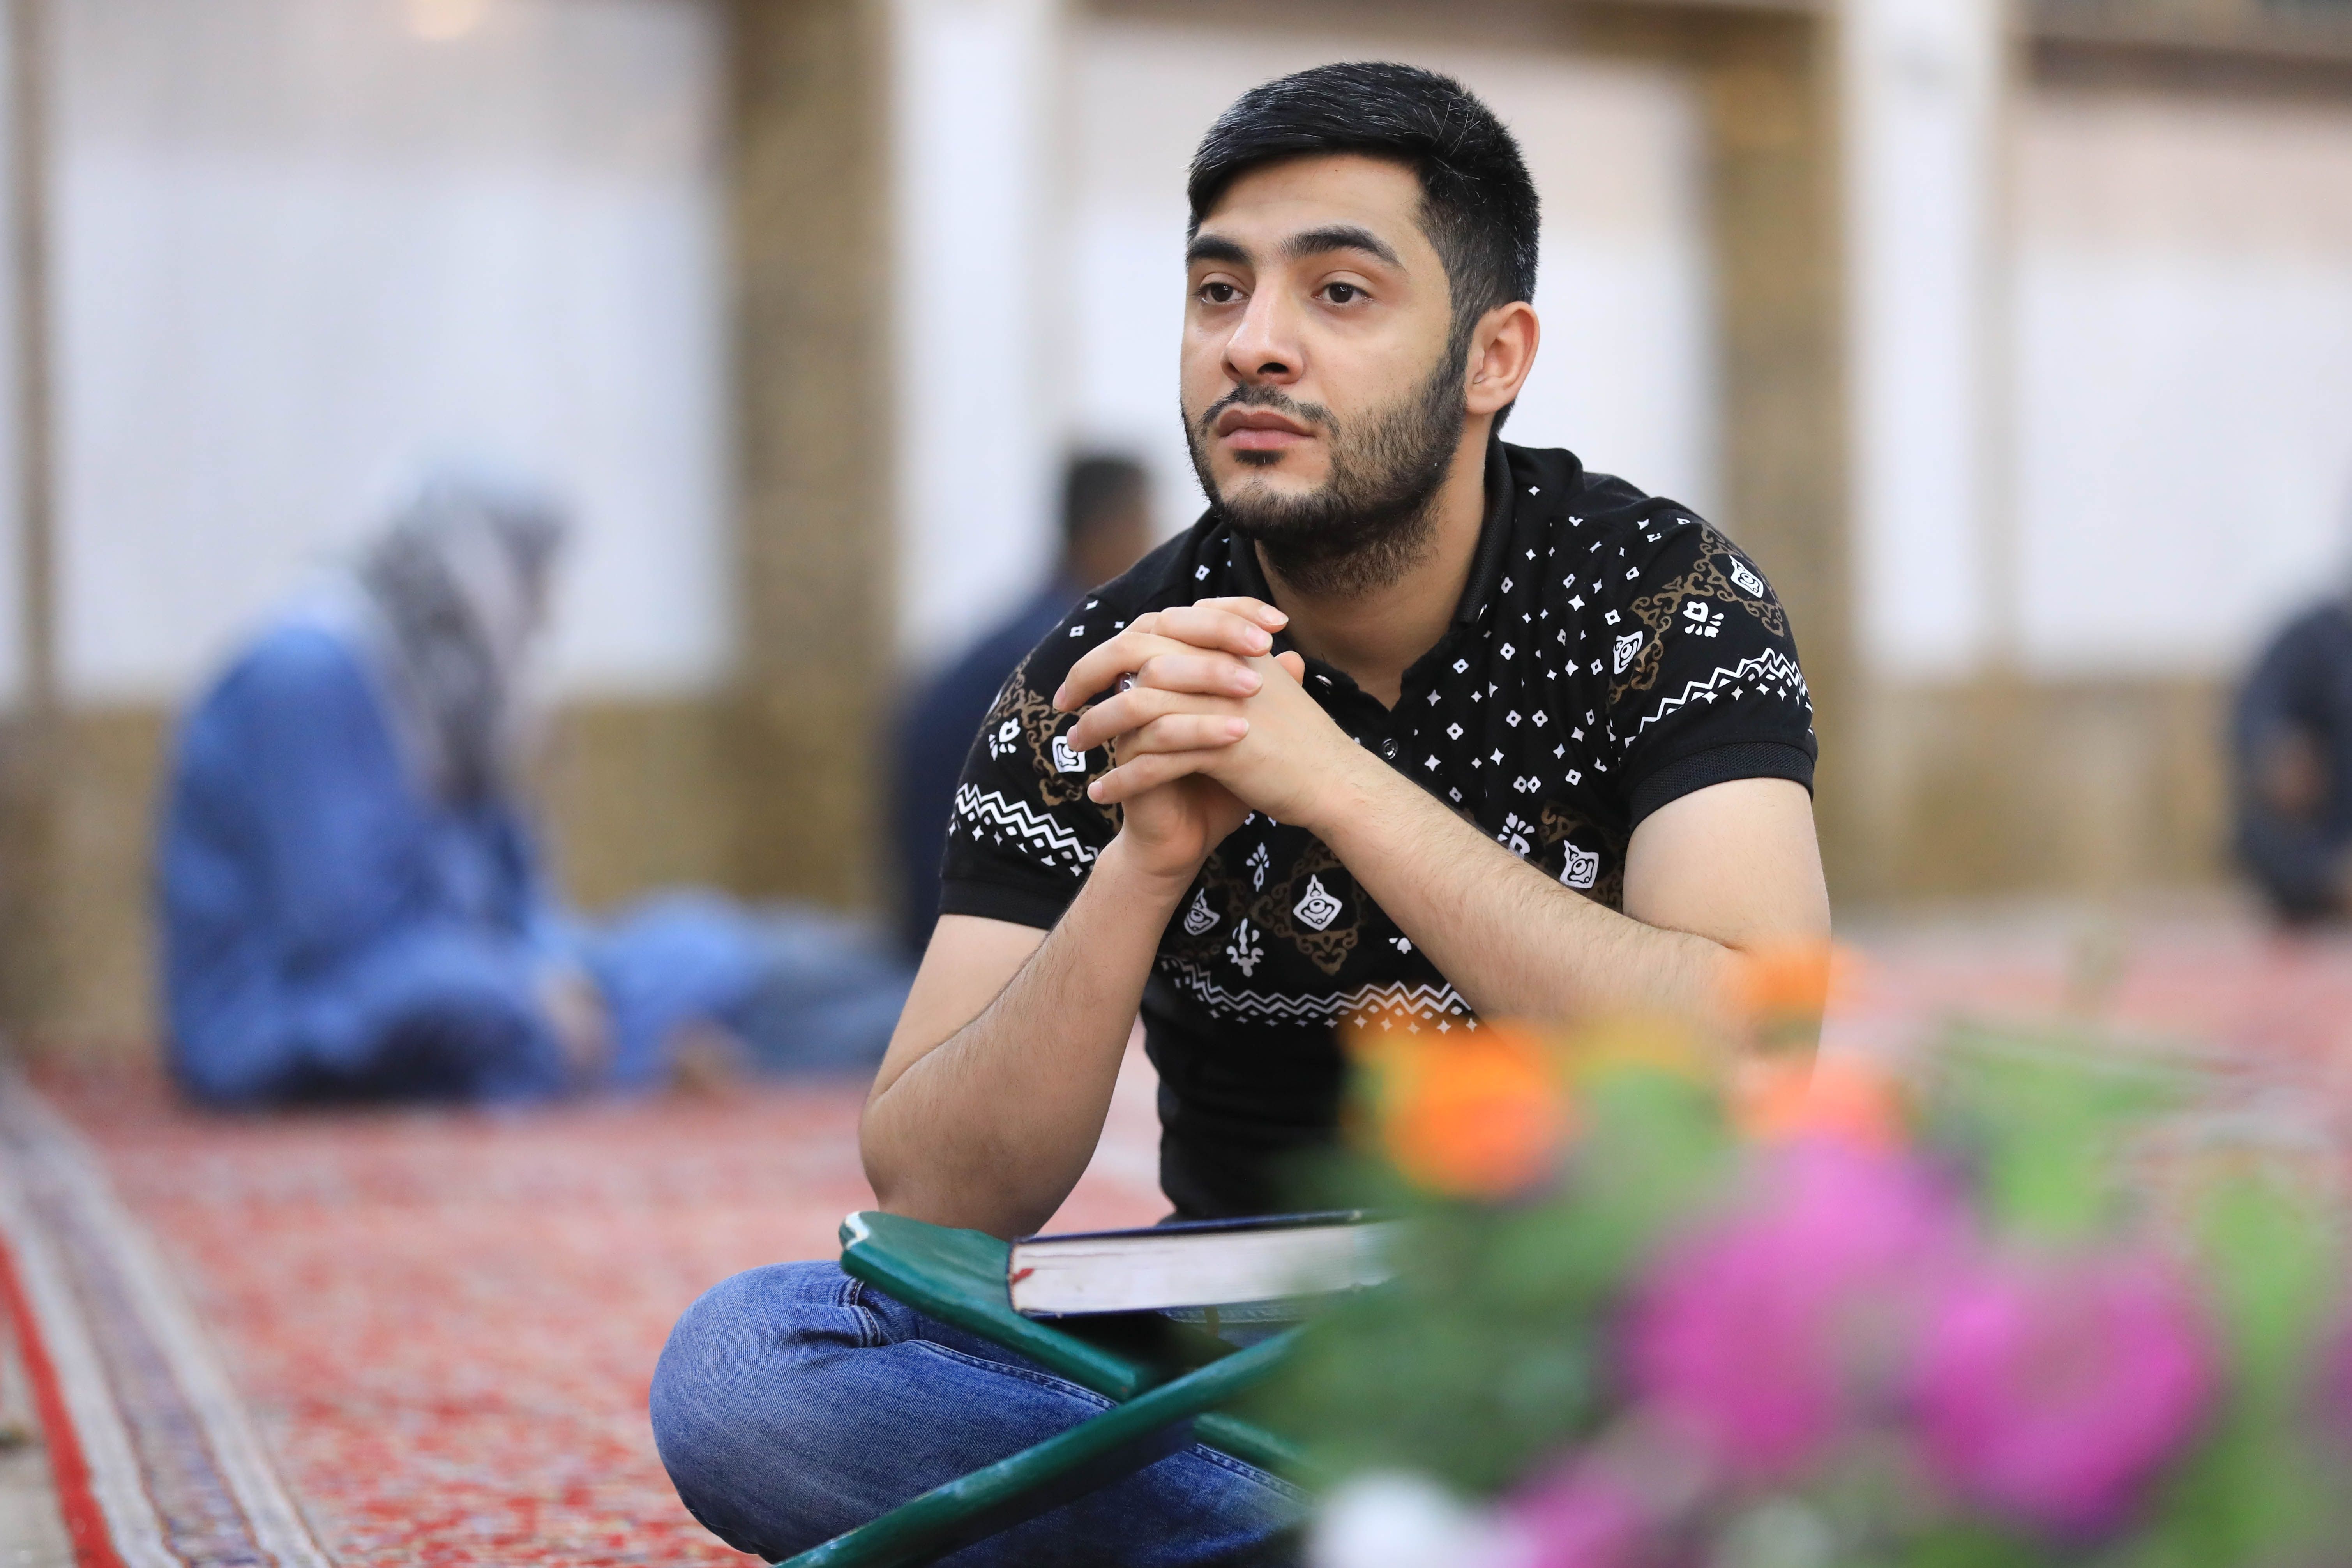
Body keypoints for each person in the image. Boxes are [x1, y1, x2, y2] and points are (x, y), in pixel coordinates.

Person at [651, 63, 1832, 1564]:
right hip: (1235, 1348)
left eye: (1336, 293)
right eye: (1217, 291)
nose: (1251, 343)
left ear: (1492, 356)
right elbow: (939, 1195)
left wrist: (1331, 779)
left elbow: (1746, 1058)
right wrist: (1145, 859)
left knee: (1861, 1342)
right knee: (747, 1368)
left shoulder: (1658, 600)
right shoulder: (1104, 673)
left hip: (1577, 1323)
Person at [158, 470, 911, 1107]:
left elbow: (508, 895)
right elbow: (341, 934)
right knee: (646, 1002)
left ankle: (932, 1008)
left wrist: (555, 972)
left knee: (700, 942)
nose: (544, 619)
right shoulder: (307, 674)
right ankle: (934, 1045)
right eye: (538, 589)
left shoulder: (436, 685)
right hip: (296, 1021)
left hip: (466, 976)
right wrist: (527, 989)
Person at [892, 455, 1156, 956]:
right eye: (1145, 525)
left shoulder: (1033, 627)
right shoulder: (1070, 657)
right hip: (967, 936)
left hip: (936, 915)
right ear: (1111, 530)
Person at [2231, 592, 2352, 923]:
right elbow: (2256, 711)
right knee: (2260, 828)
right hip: (2324, 841)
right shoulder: (2313, 639)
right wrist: (2276, 750)